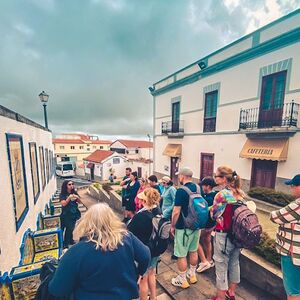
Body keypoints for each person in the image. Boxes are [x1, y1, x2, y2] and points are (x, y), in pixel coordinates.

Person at [49, 203, 150, 300]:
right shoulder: (127, 238)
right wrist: (139, 274)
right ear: (112, 220)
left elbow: (57, 289)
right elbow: (146, 255)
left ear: (86, 222)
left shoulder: (76, 252)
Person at [210, 166, 244, 300]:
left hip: (223, 235)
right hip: (238, 235)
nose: (215, 178)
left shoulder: (221, 194)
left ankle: (220, 297)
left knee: (221, 265)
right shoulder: (240, 193)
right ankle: (231, 292)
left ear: (224, 178)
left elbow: (214, 214)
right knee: (235, 263)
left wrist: (211, 211)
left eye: (216, 176)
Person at [270, 174, 300, 300]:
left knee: (293, 291)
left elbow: (274, 216)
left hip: (293, 254)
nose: (291, 188)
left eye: (294, 185)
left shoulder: (298, 205)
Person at [128, 188, 161, 300]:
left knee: (143, 279)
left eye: (142, 199)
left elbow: (129, 232)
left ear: (145, 201)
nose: (140, 202)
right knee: (152, 273)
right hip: (156, 248)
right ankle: (154, 297)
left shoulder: (140, 216)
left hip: (144, 251)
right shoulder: (158, 211)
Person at [170, 167, 200, 289]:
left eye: (179, 176)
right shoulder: (198, 188)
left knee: (181, 254)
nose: (178, 178)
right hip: (196, 226)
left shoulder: (181, 191)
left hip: (183, 227)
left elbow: (176, 211)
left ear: (182, 176)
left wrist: (173, 225)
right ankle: (192, 275)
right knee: (193, 250)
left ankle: (182, 280)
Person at [197, 176, 217, 273]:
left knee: (194, 241)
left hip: (205, 224)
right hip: (212, 224)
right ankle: (210, 260)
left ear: (208, 186)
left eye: (203, 186)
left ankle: (204, 261)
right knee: (207, 241)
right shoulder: (216, 196)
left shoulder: (208, 198)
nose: (202, 188)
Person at [59, 180, 81, 249]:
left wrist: (77, 197)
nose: (71, 186)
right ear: (66, 186)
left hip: (74, 213)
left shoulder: (74, 192)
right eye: (69, 184)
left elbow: (79, 202)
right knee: (68, 229)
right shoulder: (62, 194)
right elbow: (63, 203)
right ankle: (65, 243)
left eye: (72, 184)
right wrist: (69, 198)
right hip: (66, 214)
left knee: (71, 228)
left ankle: (71, 240)